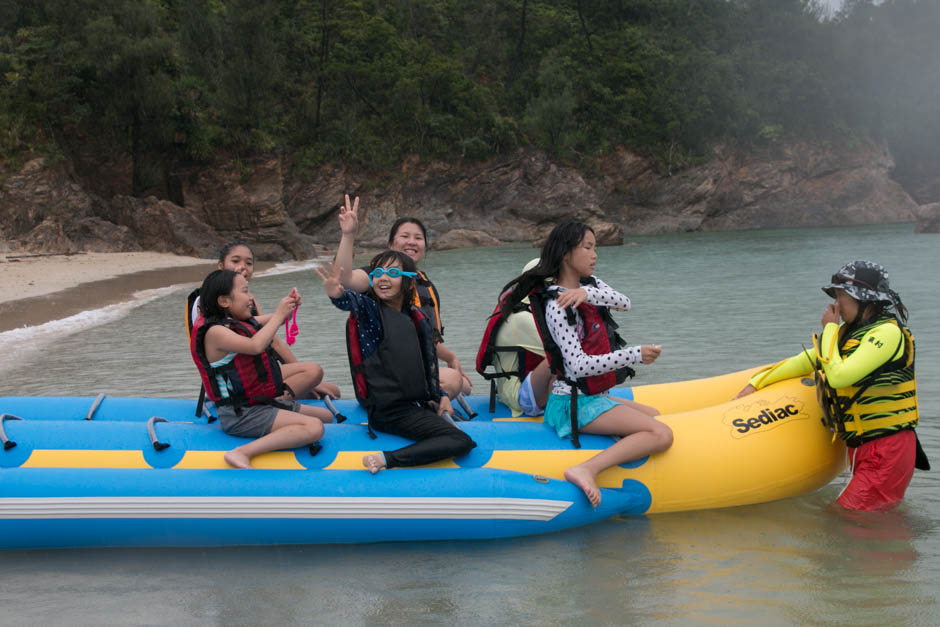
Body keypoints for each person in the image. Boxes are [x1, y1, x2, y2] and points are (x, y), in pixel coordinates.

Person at [498, 221, 672, 506]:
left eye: (595, 248)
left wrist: (587, 293)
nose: (595, 255)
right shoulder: (557, 306)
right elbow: (578, 367)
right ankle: (586, 468)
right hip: (572, 404)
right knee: (661, 434)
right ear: (567, 254)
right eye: (588, 248)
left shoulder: (589, 285)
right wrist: (634, 355)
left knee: (654, 414)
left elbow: (624, 302)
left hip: (592, 397)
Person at [736, 260, 925, 512]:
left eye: (841, 296)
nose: (836, 304)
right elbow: (807, 360)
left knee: (850, 518)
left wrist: (831, 330)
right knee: (868, 519)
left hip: (887, 448)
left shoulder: (886, 334)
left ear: (865, 300)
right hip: (865, 447)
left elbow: (839, 377)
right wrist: (756, 383)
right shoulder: (850, 334)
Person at [316, 250, 475, 474]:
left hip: (415, 403)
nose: (383, 277)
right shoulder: (371, 313)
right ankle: (387, 458)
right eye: (378, 272)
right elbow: (348, 300)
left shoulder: (415, 317)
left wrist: (441, 396)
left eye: (392, 272)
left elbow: (424, 368)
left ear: (408, 281)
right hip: (390, 411)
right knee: (460, 441)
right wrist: (336, 293)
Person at [333, 195, 472, 399]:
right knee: (452, 380)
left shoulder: (423, 283)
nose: (411, 242)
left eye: (418, 238)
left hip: (412, 369)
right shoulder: (378, 277)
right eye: (405, 236)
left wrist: (451, 357)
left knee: (465, 386)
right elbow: (344, 279)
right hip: (384, 378)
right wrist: (348, 235)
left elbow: (422, 335)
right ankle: (425, 417)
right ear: (391, 244)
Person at [190, 269, 331, 468]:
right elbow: (255, 346)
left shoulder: (235, 323)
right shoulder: (215, 333)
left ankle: (283, 425)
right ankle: (242, 452)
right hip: (240, 414)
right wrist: (280, 314)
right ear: (224, 301)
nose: (251, 298)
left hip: (260, 403)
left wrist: (288, 307)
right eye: (245, 292)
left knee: (327, 417)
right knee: (315, 427)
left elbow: (273, 320)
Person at [188, 241, 340, 400]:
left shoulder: (248, 300)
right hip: (234, 383)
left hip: (258, 372)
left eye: (248, 263)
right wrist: (279, 315)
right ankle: (278, 405)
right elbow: (253, 342)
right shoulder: (207, 304)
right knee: (318, 384)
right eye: (235, 261)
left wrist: (306, 378)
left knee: (331, 389)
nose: (242, 267)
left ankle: (281, 402)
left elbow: (273, 341)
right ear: (220, 265)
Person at [476, 258, 555, 416]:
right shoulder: (522, 319)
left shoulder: (523, 309)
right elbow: (571, 355)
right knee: (562, 356)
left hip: (516, 389)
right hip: (518, 396)